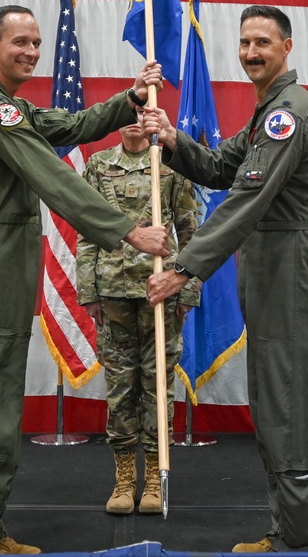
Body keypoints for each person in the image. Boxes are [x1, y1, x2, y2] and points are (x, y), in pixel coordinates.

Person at [0, 5, 171, 555]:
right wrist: (127, 232)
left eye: (37, 43)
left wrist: (131, 99)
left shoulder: (9, 107)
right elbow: (50, 177)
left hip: (6, 254)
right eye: (20, 41)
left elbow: (71, 127)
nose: (32, 52)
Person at [145, 5, 308, 552]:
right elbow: (219, 169)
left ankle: (299, 543)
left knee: (289, 412)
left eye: (263, 43)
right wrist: (172, 139)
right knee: (274, 404)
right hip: (273, 270)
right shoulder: (266, 113)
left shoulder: (289, 115)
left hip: (291, 271)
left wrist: (184, 268)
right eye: (245, 42)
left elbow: (247, 199)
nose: (251, 52)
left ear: (287, 47)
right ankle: (289, 532)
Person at [76, 120, 201, 516]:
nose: (135, 120)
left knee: (157, 383)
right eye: (129, 112)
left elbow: (190, 229)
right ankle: (124, 478)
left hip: (160, 292)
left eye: (144, 111)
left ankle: (154, 478)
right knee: (120, 386)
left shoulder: (170, 166)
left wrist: (188, 288)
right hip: (112, 293)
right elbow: (87, 228)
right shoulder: (98, 165)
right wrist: (88, 291)